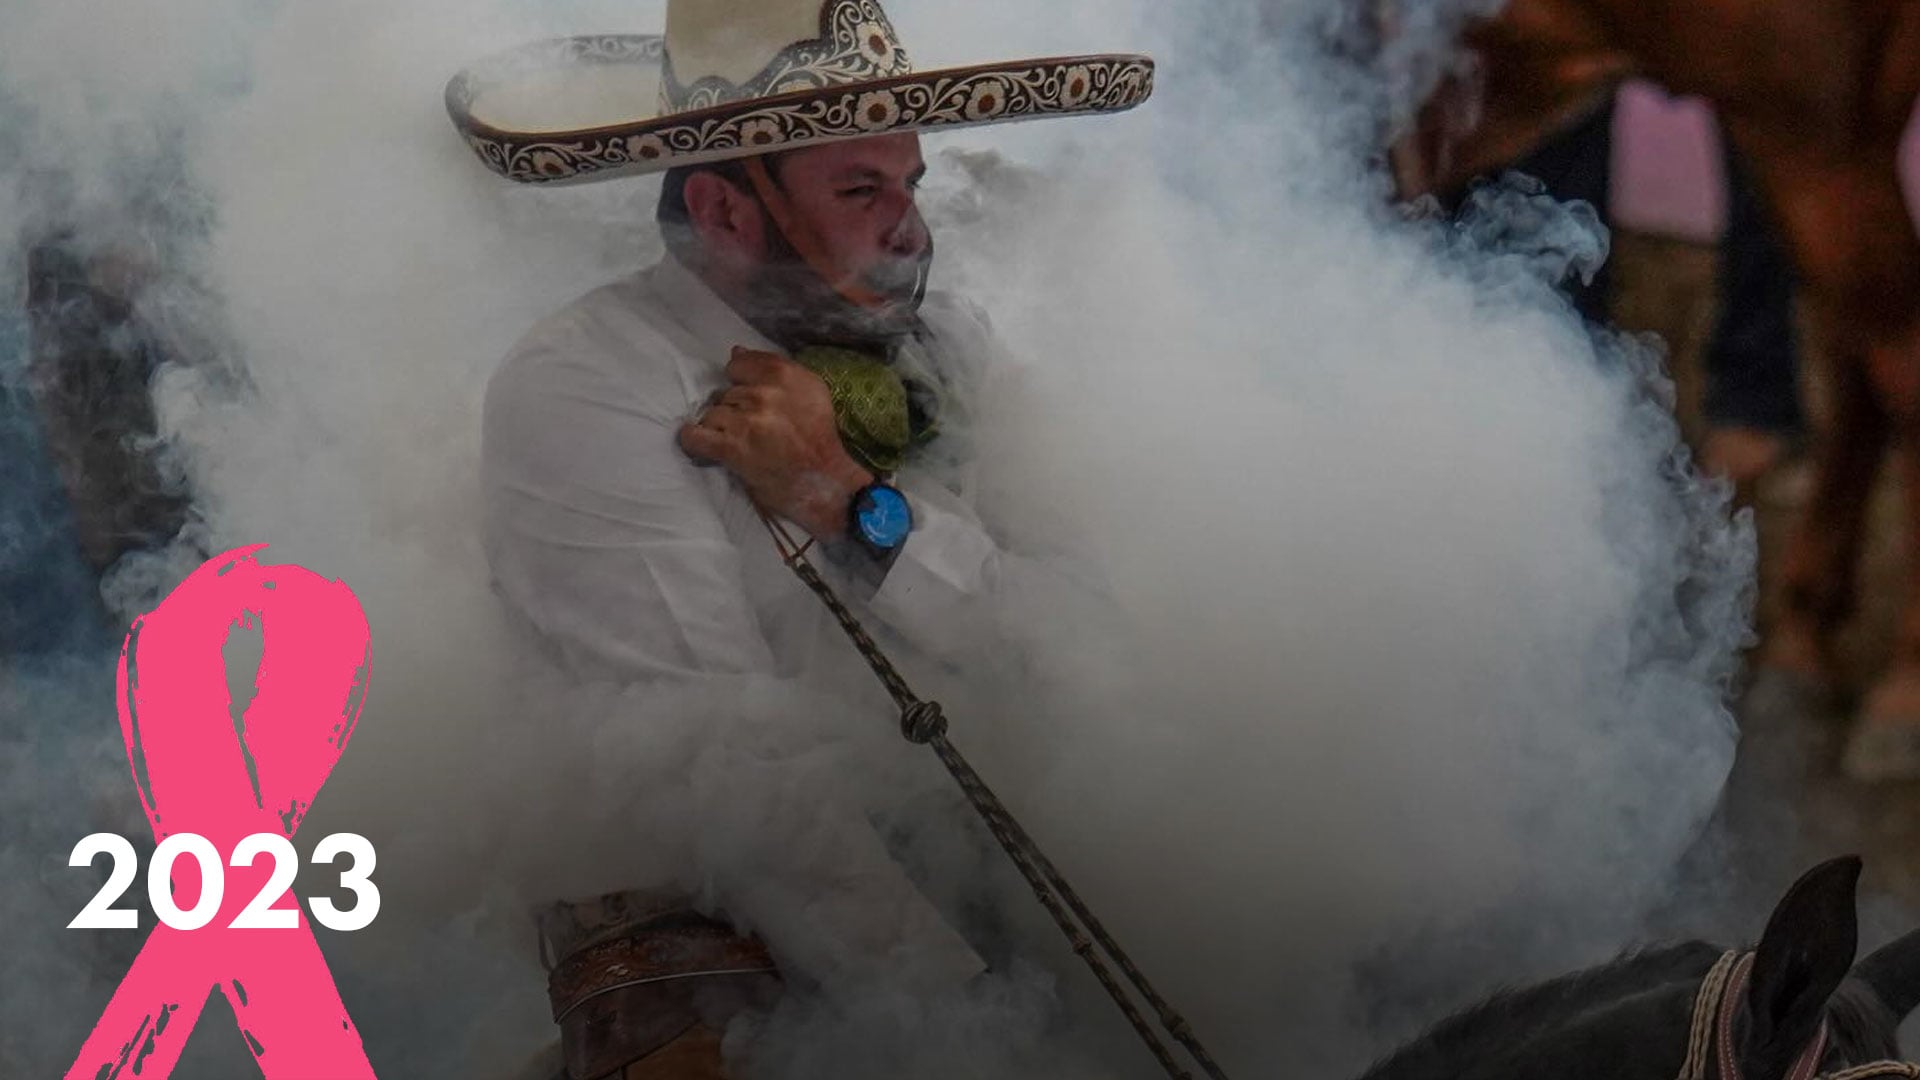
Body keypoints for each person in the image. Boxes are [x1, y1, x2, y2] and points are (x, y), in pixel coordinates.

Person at [448, 3, 1154, 1075]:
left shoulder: (952, 341)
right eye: (861, 192)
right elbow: (730, 775)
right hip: (768, 991)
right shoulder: (584, 381)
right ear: (726, 209)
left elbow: (1082, 651)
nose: (911, 230)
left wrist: (852, 504)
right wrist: (982, 1034)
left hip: (1009, 909)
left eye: (909, 183)